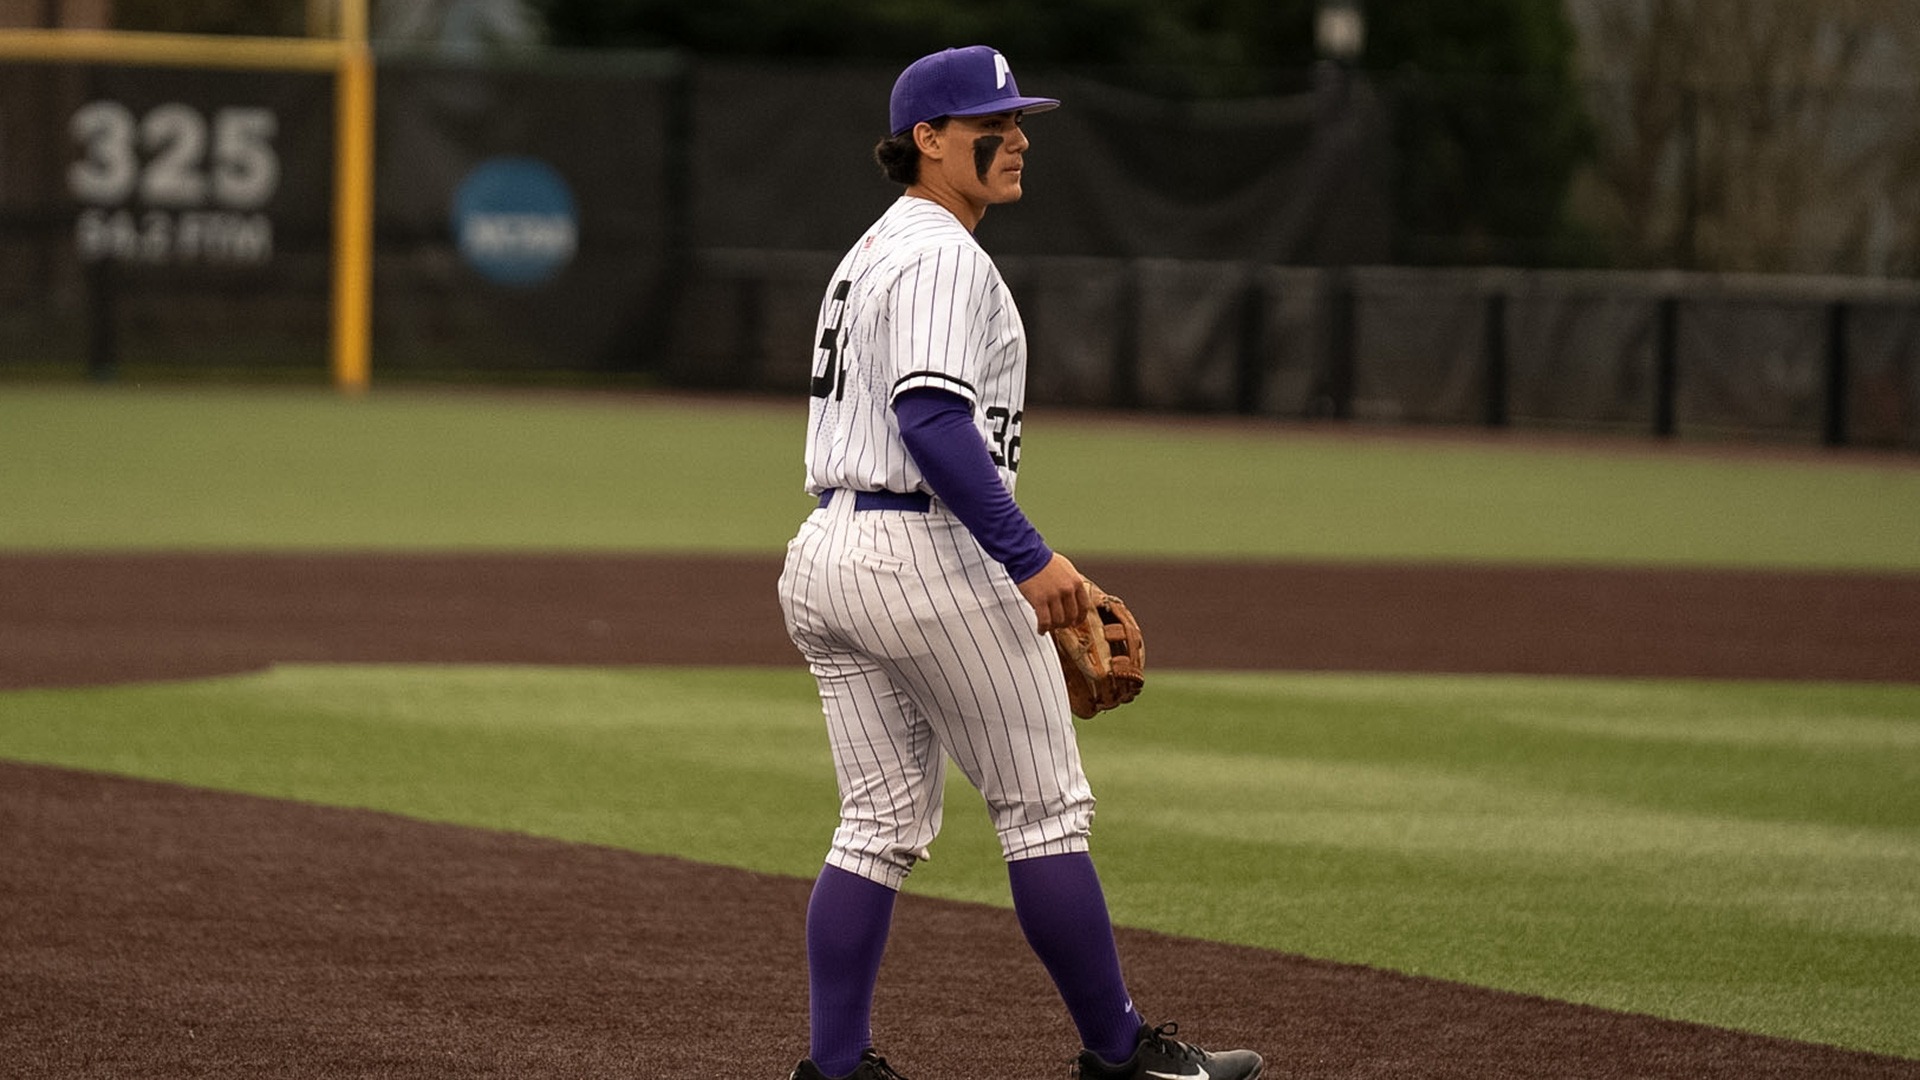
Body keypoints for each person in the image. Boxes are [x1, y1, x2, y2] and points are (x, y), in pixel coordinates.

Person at [775, 45, 1265, 1080]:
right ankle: (1121, 1057)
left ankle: (835, 1067)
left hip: (828, 551)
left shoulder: (876, 247)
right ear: (928, 140)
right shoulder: (944, 256)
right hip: (919, 552)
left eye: (1019, 121)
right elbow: (929, 420)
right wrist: (1031, 559)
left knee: (876, 824)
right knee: (1044, 811)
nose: (1018, 139)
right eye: (992, 125)